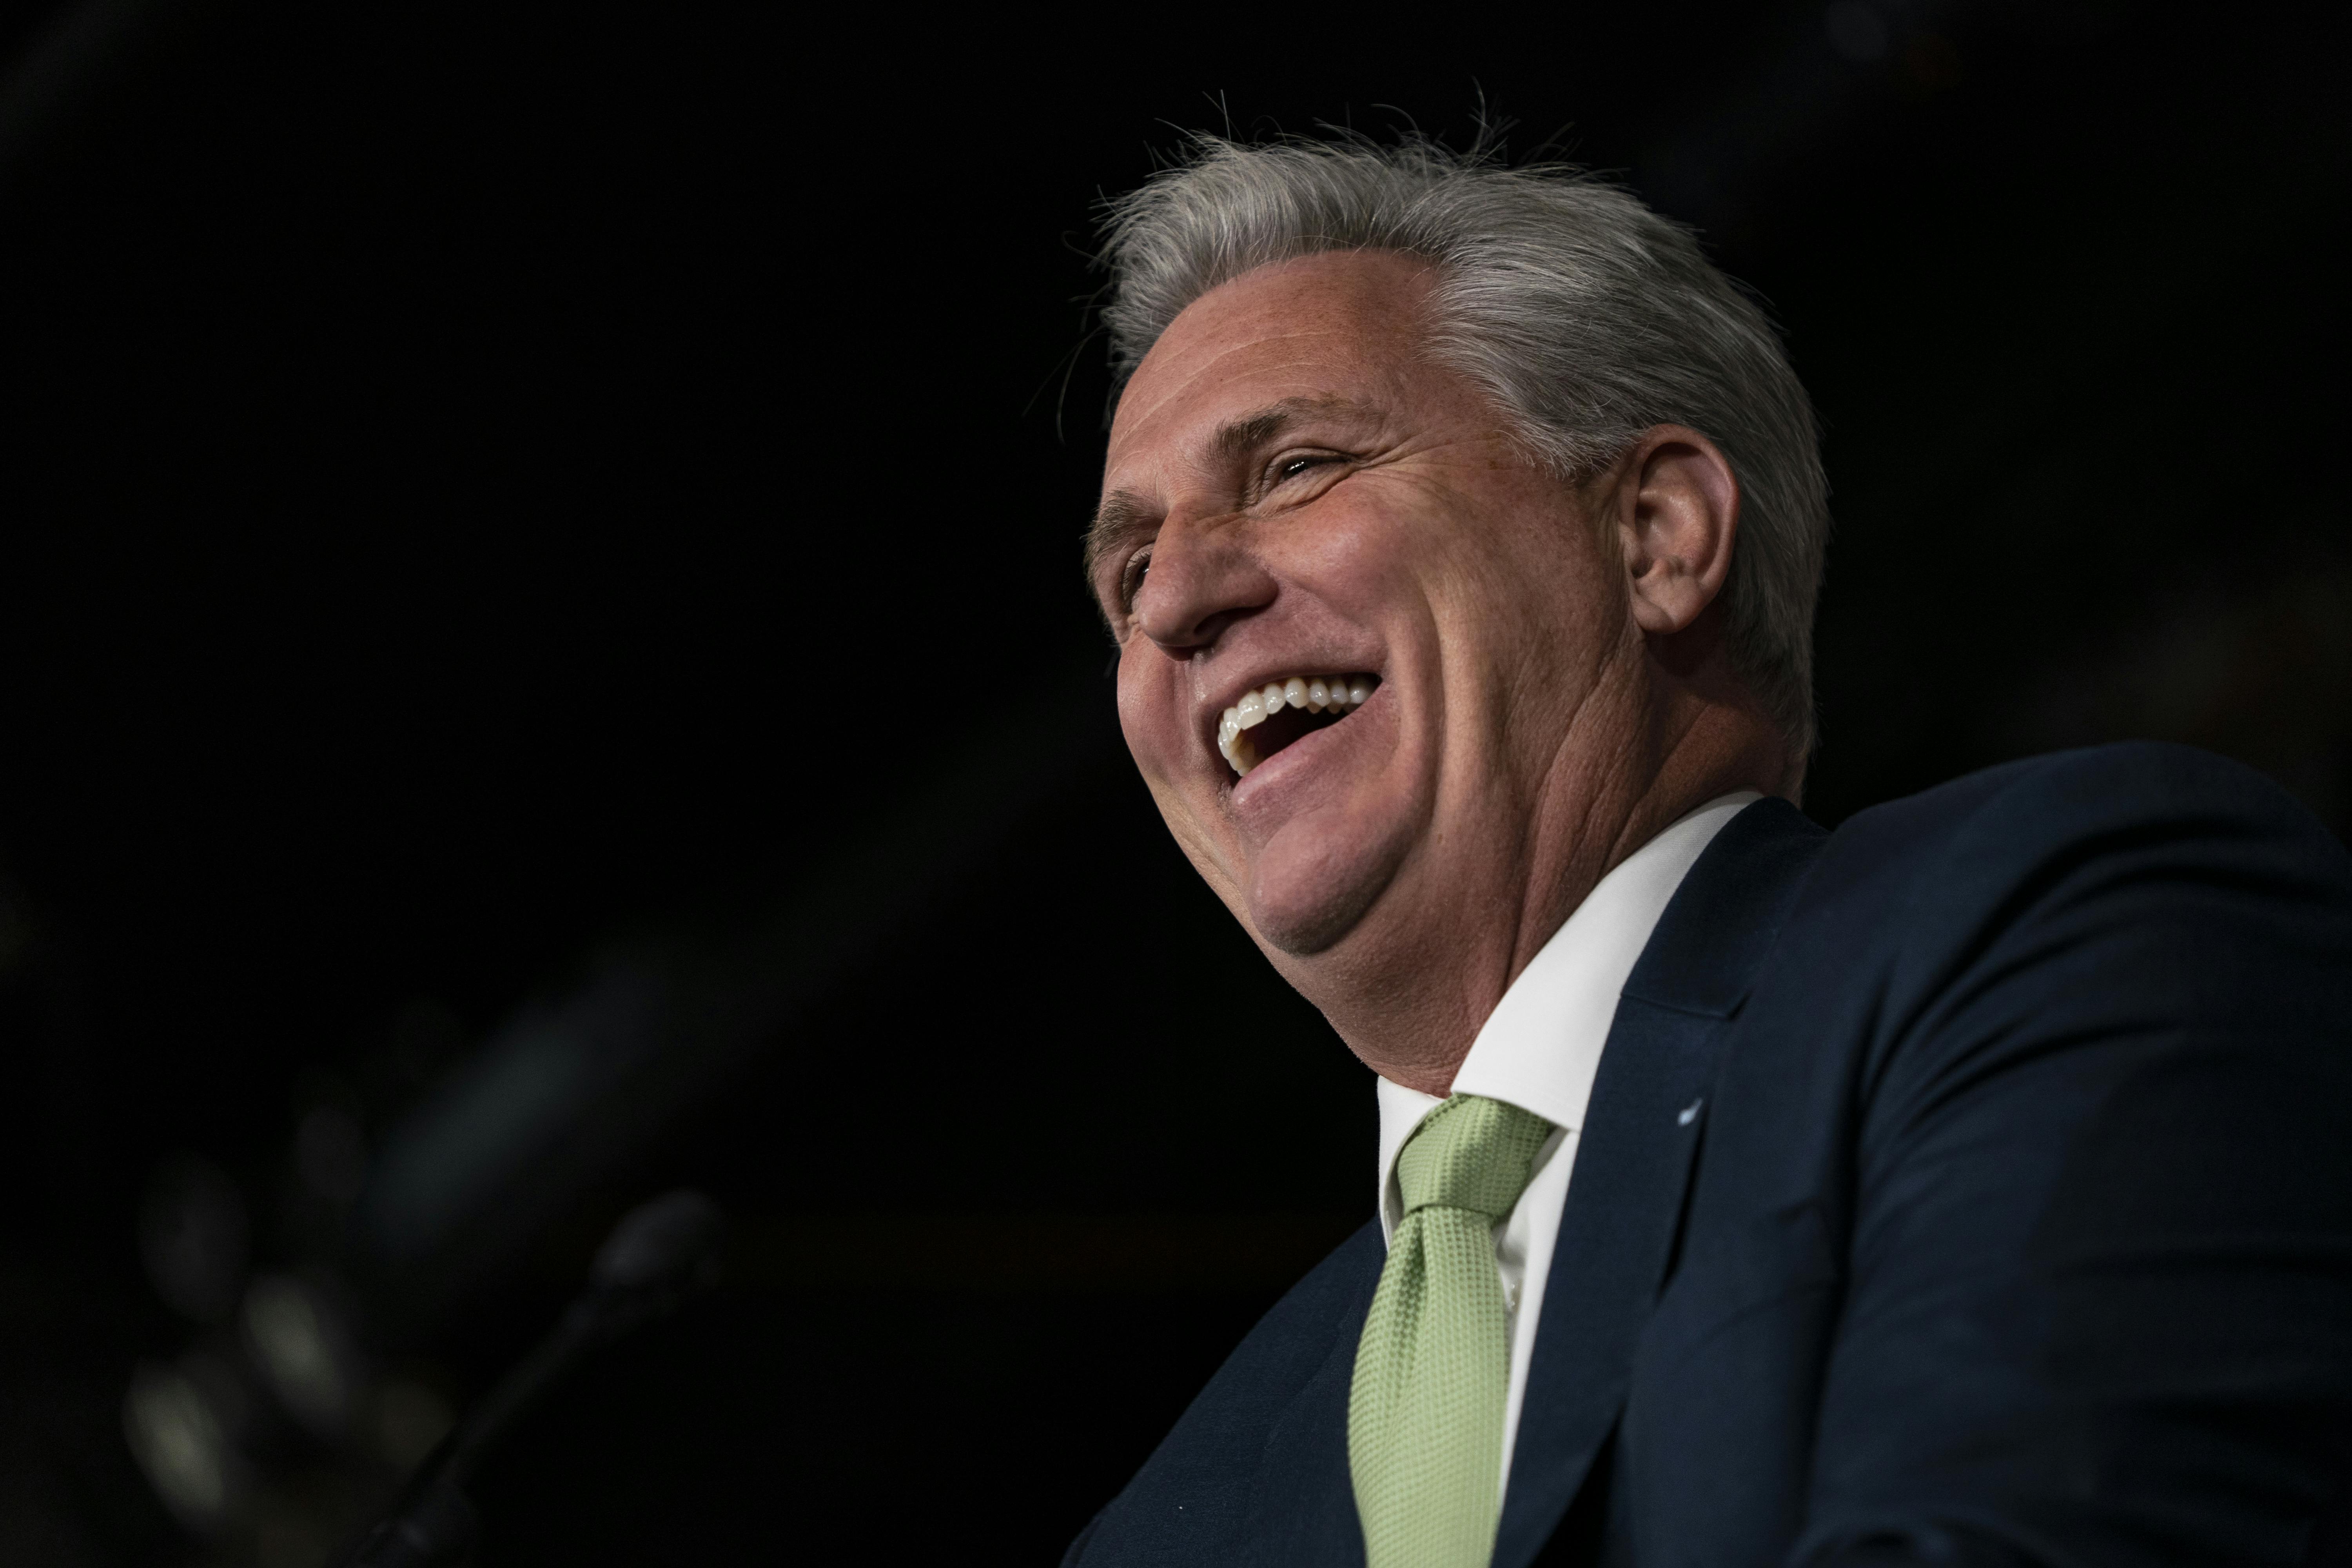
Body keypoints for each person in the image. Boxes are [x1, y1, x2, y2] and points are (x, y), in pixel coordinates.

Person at [1062, 132, 2352, 1568]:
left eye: (1297, 466)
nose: (1172, 601)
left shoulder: (2065, 932)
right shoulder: (1164, 1521)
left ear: (1657, 536)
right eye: (1129, 571)